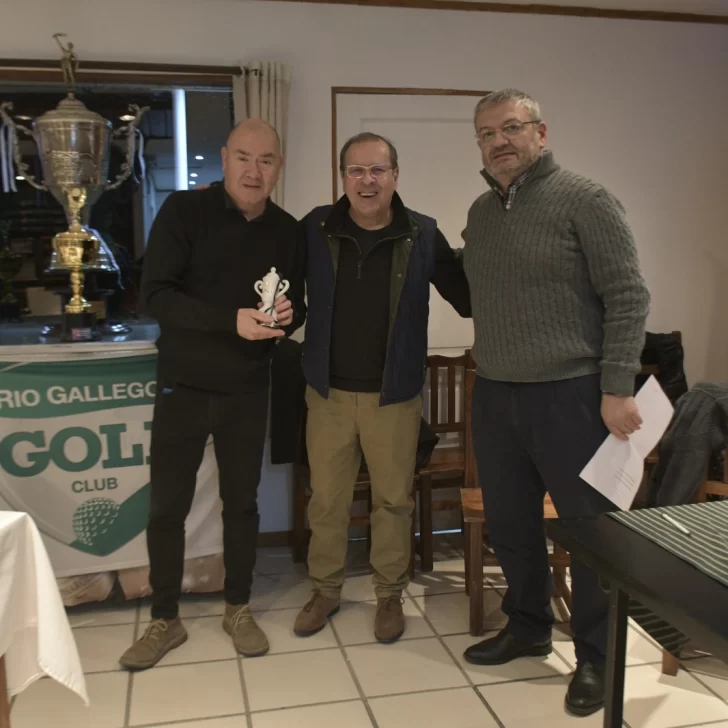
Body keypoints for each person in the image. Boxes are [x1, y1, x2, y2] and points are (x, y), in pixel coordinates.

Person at [461, 89, 650, 717]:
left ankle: (598, 654)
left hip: (572, 396)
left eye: (511, 128)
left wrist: (616, 384)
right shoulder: (481, 214)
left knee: (589, 532)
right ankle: (528, 625)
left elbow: (627, 295)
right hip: (495, 394)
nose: (499, 141)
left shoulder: (587, 200)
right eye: (487, 133)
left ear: (541, 132)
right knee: (512, 525)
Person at [119, 119, 305, 670]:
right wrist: (232, 321)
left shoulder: (288, 231)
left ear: (278, 166)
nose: (254, 170)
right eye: (244, 158)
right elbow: (156, 294)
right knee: (167, 507)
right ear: (224, 159)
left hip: (247, 388)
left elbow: (293, 308)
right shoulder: (184, 211)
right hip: (183, 385)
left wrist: (290, 319)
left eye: (266, 160)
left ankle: (238, 607)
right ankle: (164, 618)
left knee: (243, 504)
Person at [294, 132, 471, 644]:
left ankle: (389, 595)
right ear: (342, 176)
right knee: (326, 501)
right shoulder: (314, 228)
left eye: (377, 170)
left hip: (393, 395)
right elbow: (281, 287)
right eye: (355, 170)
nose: (366, 181)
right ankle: (325, 590)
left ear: (396, 175)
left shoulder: (423, 234)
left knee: (393, 502)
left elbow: (467, 298)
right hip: (326, 394)